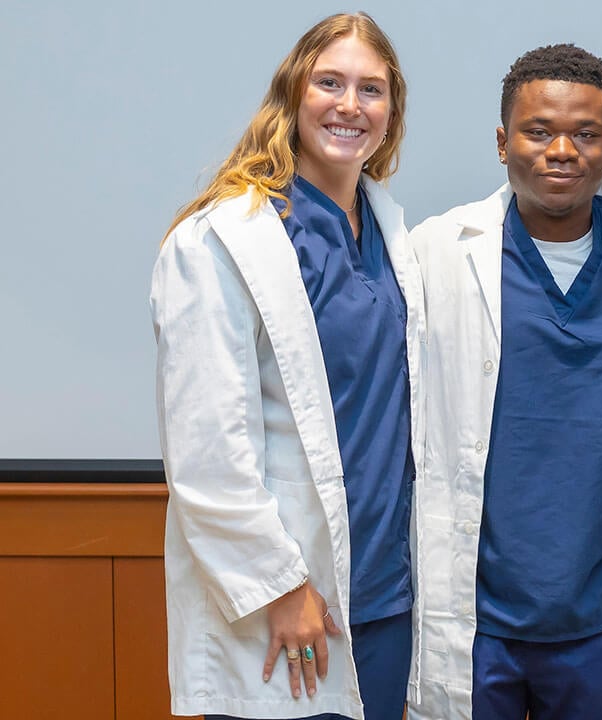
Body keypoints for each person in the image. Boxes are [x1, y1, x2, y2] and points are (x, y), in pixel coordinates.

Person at [404, 44, 602, 720]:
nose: (562, 150)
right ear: (503, 140)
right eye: (539, 131)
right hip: (474, 622)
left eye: (585, 134)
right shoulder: (438, 254)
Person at [150, 13, 421, 720]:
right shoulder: (220, 239)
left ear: (391, 115)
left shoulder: (392, 233)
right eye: (330, 82)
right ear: (293, 94)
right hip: (292, 605)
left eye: (372, 90)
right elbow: (207, 448)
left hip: (387, 597)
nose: (349, 105)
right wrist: (279, 587)